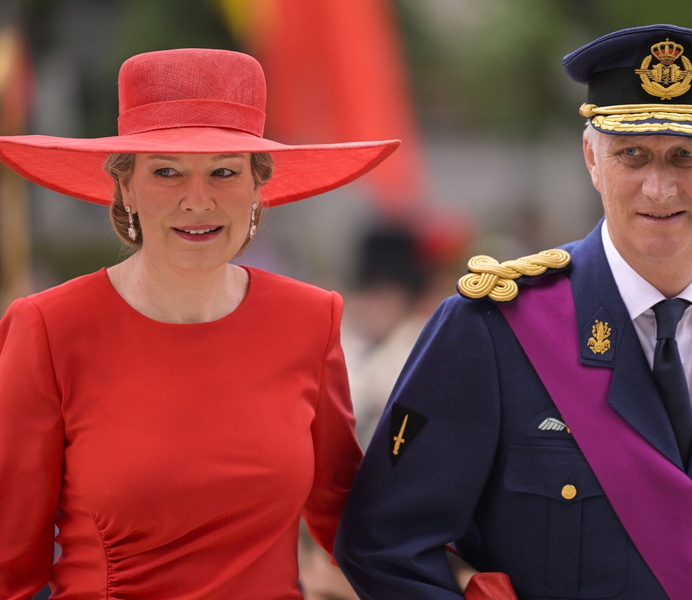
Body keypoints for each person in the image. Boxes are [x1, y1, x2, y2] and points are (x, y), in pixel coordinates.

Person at [334, 24, 692, 599]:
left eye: (687, 157)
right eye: (632, 155)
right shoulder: (491, 329)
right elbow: (384, 544)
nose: (658, 188)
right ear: (592, 159)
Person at [0, 48, 399, 599]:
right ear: (125, 190)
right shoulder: (49, 328)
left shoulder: (311, 319)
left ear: (259, 190)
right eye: (166, 171)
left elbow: (354, 526)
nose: (197, 199)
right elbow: (9, 565)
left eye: (224, 172)